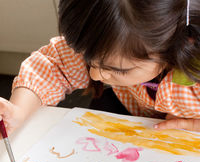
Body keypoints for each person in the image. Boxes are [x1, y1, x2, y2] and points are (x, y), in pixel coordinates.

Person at [0, 0, 200, 136]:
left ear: (179, 44)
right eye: (89, 59)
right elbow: (51, 65)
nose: (95, 74)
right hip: (129, 114)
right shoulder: (110, 42)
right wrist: (18, 111)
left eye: (118, 69)